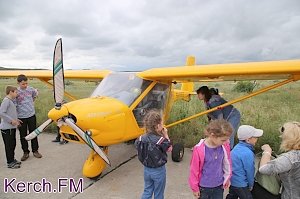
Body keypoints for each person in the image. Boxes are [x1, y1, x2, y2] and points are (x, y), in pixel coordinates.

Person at [189, 119, 233, 199]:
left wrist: (227, 178)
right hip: (204, 187)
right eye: (223, 140)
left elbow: (227, 163)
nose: (226, 142)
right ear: (212, 135)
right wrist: (195, 188)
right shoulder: (199, 149)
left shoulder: (224, 146)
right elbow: (194, 170)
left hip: (219, 186)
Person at [135, 109, 172, 199]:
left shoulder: (140, 139)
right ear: (158, 126)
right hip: (158, 171)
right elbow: (170, 148)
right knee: (158, 193)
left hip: (146, 170)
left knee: (147, 190)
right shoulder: (160, 141)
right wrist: (166, 135)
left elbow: (137, 147)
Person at [259, 121, 300, 199]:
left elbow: (263, 169)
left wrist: (267, 151)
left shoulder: (290, 158)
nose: (281, 137)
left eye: (283, 136)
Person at [226, 125, 264, 199]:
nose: (257, 139)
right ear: (248, 140)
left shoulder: (235, 148)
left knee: (232, 195)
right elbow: (249, 171)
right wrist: (251, 184)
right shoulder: (248, 153)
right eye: (255, 137)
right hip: (242, 184)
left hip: (233, 182)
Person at [16, 74, 42, 161]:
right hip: (21, 117)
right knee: (23, 135)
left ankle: (35, 150)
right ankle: (25, 152)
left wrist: (31, 103)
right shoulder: (16, 92)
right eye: (23, 84)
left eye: (26, 83)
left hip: (31, 115)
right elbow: (14, 104)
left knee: (34, 133)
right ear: (18, 83)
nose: (25, 85)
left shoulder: (31, 89)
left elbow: (35, 96)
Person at [0, 86, 22, 169]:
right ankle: (10, 162)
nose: (17, 93)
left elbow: (9, 113)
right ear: (11, 92)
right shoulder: (6, 101)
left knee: (12, 144)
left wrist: (16, 120)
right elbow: (2, 113)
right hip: (6, 128)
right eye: (16, 92)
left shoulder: (10, 101)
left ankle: (12, 159)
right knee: (9, 146)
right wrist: (11, 121)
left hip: (11, 128)